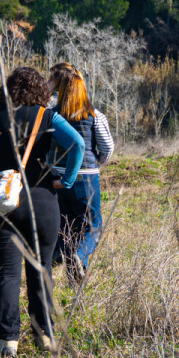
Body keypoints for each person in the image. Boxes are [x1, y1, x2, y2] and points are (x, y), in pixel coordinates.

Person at [0, 66, 85, 358]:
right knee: (41, 269)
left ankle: (7, 342)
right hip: (41, 200)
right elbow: (78, 144)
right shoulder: (47, 116)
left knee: (5, 273)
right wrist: (67, 180)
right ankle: (43, 335)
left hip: (0, 204)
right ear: (39, 90)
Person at [49, 63, 114, 282]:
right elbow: (107, 148)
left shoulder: (51, 116)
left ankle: (62, 261)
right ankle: (79, 257)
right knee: (93, 227)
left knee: (65, 226)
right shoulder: (95, 115)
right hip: (86, 178)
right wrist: (95, 164)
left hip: (56, 178)